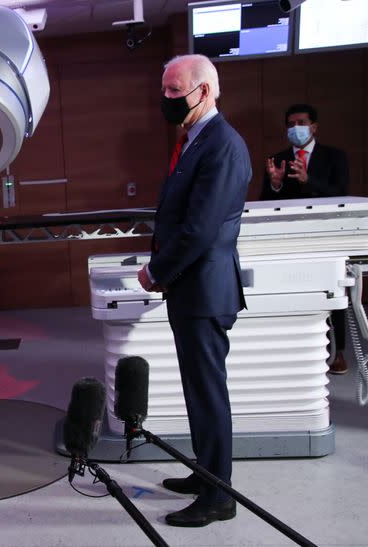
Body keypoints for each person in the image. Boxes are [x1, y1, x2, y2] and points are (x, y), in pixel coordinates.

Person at [137, 54, 251, 527]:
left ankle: (219, 497)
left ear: (203, 91)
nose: (165, 98)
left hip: (204, 292)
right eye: (163, 89)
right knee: (197, 392)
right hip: (191, 292)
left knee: (208, 395)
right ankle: (206, 474)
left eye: (173, 90)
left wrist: (156, 271)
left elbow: (200, 229)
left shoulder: (222, 145)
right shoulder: (194, 140)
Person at [260, 103, 350, 374]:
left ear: (314, 126)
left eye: (300, 122)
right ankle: (295, 352)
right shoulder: (278, 159)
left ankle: (340, 352)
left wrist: (308, 180)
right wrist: (275, 183)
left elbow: (341, 194)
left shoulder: (335, 157)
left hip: (327, 236)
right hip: (289, 239)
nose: (295, 128)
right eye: (290, 124)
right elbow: (265, 202)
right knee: (294, 292)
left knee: (333, 292)